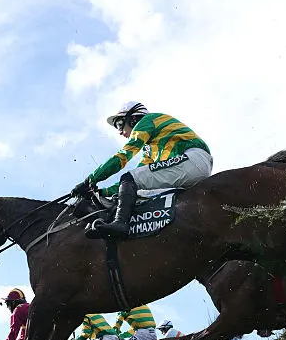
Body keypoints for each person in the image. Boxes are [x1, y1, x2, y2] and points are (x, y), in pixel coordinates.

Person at [70, 101, 213, 239]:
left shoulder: (147, 121)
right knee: (133, 188)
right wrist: (102, 192)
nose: (120, 132)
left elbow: (123, 156)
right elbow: (135, 181)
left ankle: (121, 224)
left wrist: (90, 180)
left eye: (120, 124)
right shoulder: (150, 150)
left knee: (128, 177)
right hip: (191, 166)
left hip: (192, 160)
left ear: (133, 119)